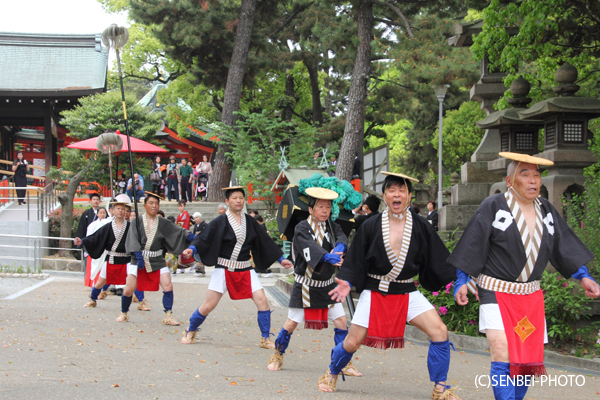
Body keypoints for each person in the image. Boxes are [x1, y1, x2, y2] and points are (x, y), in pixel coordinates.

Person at [449, 152, 600, 400]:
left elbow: (564, 246)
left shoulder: (547, 211)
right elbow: (473, 244)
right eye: (525, 173)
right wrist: (462, 280)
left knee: (525, 360)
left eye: (537, 174)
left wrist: (583, 276)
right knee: (502, 352)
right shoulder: (494, 206)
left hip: (530, 297)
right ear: (510, 181)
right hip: (495, 292)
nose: (533, 180)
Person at [316, 172, 460, 400]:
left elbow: (440, 257)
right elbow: (356, 258)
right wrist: (348, 281)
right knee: (353, 341)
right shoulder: (371, 225)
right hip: (376, 291)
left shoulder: (421, 226)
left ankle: (440, 388)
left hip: (406, 291)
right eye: (392, 190)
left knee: (440, 331)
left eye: (402, 191)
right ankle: (332, 371)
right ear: (384, 195)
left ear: (409, 197)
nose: (397, 194)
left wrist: (460, 277)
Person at [180, 186, 293, 348]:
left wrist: (281, 258)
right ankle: (190, 330)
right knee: (208, 305)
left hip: (245, 269)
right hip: (224, 268)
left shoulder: (250, 221)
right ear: (227, 201)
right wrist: (193, 249)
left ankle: (265, 338)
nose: (238, 200)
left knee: (262, 301)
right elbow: (205, 238)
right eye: (234, 198)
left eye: (241, 197)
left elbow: (265, 242)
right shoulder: (219, 221)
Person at [267, 187, 361, 378]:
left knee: (342, 322)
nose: (324, 210)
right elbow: (307, 246)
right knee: (291, 323)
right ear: (311, 209)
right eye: (320, 206)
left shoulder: (333, 227)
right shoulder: (301, 227)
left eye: (328, 207)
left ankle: (343, 361)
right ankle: (277, 355)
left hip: (327, 285)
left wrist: (341, 247)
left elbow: (341, 237)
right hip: (305, 286)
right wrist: (326, 257)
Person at [121, 192, 194, 324]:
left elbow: (178, 231)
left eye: (156, 203)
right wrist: (138, 255)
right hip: (138, 259)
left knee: (168, 285)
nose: (154, 206)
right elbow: (132, 239)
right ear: (144, 205)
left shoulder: (163, 222)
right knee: (129, 289)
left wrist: (190, 236)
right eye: (151, 203)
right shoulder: (136, 222)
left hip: (157, 259)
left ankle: (168, 315)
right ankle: (124, 312)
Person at [75, 195, 131, 309]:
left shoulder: (131, 227)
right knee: (100, 282)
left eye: (122, 209)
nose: (120, 211)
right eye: (118, 209)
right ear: (113, 211)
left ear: (126, 211)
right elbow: (96, 237)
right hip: (112, 257)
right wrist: (83, 241)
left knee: (133, 281)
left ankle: (141, 301)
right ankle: (93, 299)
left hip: (127, 259)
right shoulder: (108, 226)